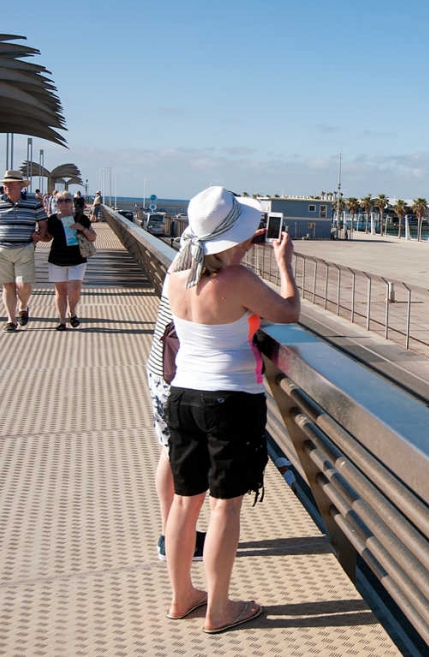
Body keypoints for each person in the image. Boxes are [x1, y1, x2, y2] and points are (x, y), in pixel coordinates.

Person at [163, 186, 299, 634]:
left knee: (185, 503)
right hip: (230, 402)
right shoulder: (237, 281)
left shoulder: (176, 274)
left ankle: (183, 596)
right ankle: (219, 609)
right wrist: (284, 265)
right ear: (232, 239)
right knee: (225, 507)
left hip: (183, 396)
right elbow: (288, 311)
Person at [147, 287, 206, 562]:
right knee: (182, 457)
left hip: (162, 368)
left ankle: (171, 533)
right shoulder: (203, 266)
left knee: (169, 451)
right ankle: (179, 539)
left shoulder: (181, 263)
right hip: (181, 375)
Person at [0, 170, 47, 332]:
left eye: (11, 183)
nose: (7, 186)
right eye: (5, 184)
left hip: (24, 248)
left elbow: (43, 223)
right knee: (8, 286)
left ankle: (23, 307)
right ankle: (11, 320)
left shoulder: (33, 203)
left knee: (23, 284)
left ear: (20, 186)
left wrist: (39, 235)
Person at [40, 192, 96, 329]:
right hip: (57, 259)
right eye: (60, 201)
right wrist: (37, 236)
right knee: (60, 291)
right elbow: (48, 237)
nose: (63, 203)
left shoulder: (80, 218)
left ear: (72, 202)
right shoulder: (52, 220)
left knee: (75, 289)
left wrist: (81, 228)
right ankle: (62, 321)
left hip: (77, 259)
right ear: (56, 203)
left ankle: (72, 312)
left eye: (67, 200)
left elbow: (93, 237)